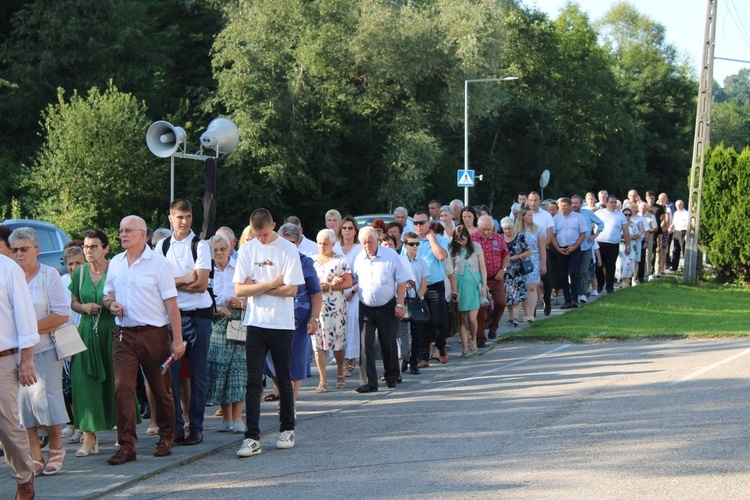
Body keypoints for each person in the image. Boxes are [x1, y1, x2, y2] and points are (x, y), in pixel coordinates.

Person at [103, 215, 185, 465]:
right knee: (122, 387)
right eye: (120, 231)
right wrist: (112, 304)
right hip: (123, 334)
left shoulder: (158, 264)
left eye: (128, 230)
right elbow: (108, 295)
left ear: (143, 234)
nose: (122, 235)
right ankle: (127, 445)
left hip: (154, 334)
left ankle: (166, 436)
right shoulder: (116, 262)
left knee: (161, 388)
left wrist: (178, 340)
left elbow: (172, 304)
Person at [234, 208, 304, 458]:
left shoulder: (288, 249)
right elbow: (240, 290)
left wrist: (258, 287)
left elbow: (292, 290)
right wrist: (273, 283)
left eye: (264, 234)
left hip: (281, 323)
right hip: (255, 322)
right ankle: (252, 436)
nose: (260, 239)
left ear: (273, 225)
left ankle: (287, 428)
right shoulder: (247, 249)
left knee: (283, 378)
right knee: (253, 380)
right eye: (256, 234)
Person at [10, 227, 70, 476]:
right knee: (23, 403)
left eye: (24, 249)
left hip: (45, 346)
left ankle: (56, 447)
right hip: (13, 349)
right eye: (14, 249)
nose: (19, 254)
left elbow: (61, 314)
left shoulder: (49, 275)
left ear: (37, 250)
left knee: (47, 399)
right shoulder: (9, 276)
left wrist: (28, 329)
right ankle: (35, 453)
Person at [153, 199, 214, 446]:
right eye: (180, 217)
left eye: (188, 216)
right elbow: (156, 284)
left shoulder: (200, 246)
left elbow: (200, 284)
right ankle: (175, 427)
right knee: (171, 376)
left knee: (198, 376)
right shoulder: (162, 246)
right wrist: (184, 279)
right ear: (170, 218)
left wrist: (172, 283)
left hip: (198, 317)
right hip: (172, 319)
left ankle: (196, 427)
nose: (185, 221)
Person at [68, 229, 117, 457]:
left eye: (94, 246)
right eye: (86, 246)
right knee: (83, 381)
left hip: (111, 329)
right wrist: (84, 307)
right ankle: (89, 437)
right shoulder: (79, 273)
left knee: (117, 382)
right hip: (86, 331)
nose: (88, 250)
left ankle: (123, 432)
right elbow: (74, 301)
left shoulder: (115, 270)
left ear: (105, 248)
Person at [0, 247, 39, 498]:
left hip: (3, 357)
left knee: (6, 425)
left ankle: (24, 478)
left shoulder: (7, 268)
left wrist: (27, 360)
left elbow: (26, 317)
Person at [353, 227, 409, 392]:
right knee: (365, 344)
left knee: (388, 342)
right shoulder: (358, 258)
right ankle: (368, 382)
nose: (367, 245)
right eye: (363, 242)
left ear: (377, 239)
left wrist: (400, 304)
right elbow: (355, 279)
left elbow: (401, 281)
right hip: (366, 307)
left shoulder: (390, 255)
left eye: (369, 241)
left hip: (387, 306)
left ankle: (392, 376)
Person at [276, 223, 322, 405]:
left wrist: (314, 317)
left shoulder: (305, 262)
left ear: (298, 243)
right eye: (284, 242)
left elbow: (316, 292)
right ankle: (282, 392)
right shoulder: (272, 261)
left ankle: (290, 401)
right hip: (275, 316)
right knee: (272, 360)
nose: (288, 246)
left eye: (292, 242)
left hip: (299, 318)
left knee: (296, 360)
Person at [206, 233, 247, 434]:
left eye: (223, 249)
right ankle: (226, 416)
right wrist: (216, 310)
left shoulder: (240, 267)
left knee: (238, 371)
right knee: (219, 370)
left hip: (239, 323)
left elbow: (255, 297)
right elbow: (201, 300)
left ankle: (238, 418)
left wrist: (239, 303)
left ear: (230, 248)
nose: (219, 253)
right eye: (215, 250)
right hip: (217, 323)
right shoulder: (206, 271)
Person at [312, 229, 352, 392]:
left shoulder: (340, 260)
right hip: (317, 307)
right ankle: (323, 380)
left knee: (338, 344)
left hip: (335, 307)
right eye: (320, 243)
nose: (322, 246)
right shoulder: (312, 261)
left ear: (333, 244)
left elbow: (348, 283)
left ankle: (340, 372)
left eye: (325, 244)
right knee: (318, 344)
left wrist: (331, 286)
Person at [410, 211, 450, 366]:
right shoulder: (410, 241)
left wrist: (432, 239)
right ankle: (423, 356)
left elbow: (441, 256)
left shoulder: (439, 239)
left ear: (428, 223)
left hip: (434, 286)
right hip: (417, 287)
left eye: (422, 222)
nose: (418, 226)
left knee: (439, 321)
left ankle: (440, 346)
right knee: (421, 323)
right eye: (416, 223)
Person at [472, 215, 509, 344]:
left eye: (489, 229)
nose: (487, 232)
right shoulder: (473, 239)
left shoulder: (498, 238)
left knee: (501, 303)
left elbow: (506, 255)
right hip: (480, 280)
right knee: (480, 309)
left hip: (496, 278)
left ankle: (493, 326)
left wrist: (503, 270)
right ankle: (480, 338)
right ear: (478, 227)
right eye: (484, 229)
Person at [450, 225, 487, 357]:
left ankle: (474, 340)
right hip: (459, 286)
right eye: (458, 240)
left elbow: (482, 267)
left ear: (468, 237)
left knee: (472, 318)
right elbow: (451, 270)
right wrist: (453, 290)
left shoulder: (476, 247)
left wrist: (484, 285)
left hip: (474, 285)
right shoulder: (453, 250)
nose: (461, 242)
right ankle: (465, 348)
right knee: (462, 319)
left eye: (463, 239)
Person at [551, 197, 588, 309]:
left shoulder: (578, 217)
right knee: (563, 274)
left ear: (570, 206)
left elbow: (583, 233)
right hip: (561, 248)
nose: (563, 208)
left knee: (574, 273)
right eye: (561, 206)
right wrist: (557, 248)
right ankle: (567, 300)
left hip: (574, 248)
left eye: (565, 206)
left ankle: (574, 299)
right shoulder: (556, 218)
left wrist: (575, 246)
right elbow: (552, 235)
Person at [337, 216, 362, 375]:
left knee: (352, 326)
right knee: (340, 327)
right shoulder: (335, 248)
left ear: (355, 231)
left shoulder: (360, 249)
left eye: (350, 228)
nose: (347, 231)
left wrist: (352, 290)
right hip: (336, 292)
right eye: (344, 228)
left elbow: (365, 273)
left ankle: (350, 359)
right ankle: (341, 360)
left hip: (355, 291)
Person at [403, 232, 428, 374]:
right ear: (405, 245)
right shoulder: (401, 260)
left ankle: (414, 362)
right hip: (404, 300)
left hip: (417, 301)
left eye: (417, 244)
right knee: (403, 334)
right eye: (411, 244)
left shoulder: (422, 262)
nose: (414, 247)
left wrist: (417, 298)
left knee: (417, 333)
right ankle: (403, 360)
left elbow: (424, 284)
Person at [571, 195, 604, 303]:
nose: (574, 205)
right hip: (573, 247)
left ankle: (583, 293)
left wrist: (595, 235)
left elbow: (601, 223)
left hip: (586, 247)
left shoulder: (587, 213)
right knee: (574, 271)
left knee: (584, 271)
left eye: (576, 203)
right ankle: (575, 294)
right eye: (573, 203)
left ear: (581, 204)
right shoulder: (568, 214)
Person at [516, 208, 546, 322]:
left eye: (531, 215)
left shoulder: (538, 229)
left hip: (534, 259)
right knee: (523, 286)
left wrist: (543, 264)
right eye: (528, 215)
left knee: (532, 286)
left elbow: (542, 248)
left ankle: (532, 313)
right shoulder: (517, 230)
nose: (530, 217)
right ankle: (526, 313)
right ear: (523, 216)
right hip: (520, 260)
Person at [595, 196, 630, 294]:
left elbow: (626, 232)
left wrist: (628, 246)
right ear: (606, 203)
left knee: (610, 266)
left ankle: (609, 287)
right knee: (598, 265)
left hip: (613, 244)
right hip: (599, 243)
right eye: (611, 202)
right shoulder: (599, 213)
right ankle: (600, 284)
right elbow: (591, 226)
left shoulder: (620, 216)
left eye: (615, 202)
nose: (613, 204)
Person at [500, 218, 531, 327]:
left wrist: (518, 256)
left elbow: (528, 251)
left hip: (518, 269)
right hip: (506, 271)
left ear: (513, 227)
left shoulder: (520, 236)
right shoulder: (500, 238)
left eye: (509, 228)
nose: (507, 231)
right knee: (508, 295)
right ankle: (511, 317)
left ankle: (515, 317)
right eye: (505, 229)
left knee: (518, 294)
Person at [615, 208, 641, 287]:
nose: (627, 216)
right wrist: (623, 239)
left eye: (629, 215)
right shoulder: (619, 224)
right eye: (625, 215)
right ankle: (623, 281)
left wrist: (629, 239)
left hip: (631, 246)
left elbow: (638, 235)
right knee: (621, 264)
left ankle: (627, 281)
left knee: (628, 264)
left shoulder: (633, 224)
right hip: (621, 246)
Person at [669, 200, 688, 271]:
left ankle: (686, 266)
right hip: (676, 231)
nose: (679, 206)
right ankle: (674, 267)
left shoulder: (686, 213)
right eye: (677, 205)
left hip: (683, 231)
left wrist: (686, 233)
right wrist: (671, 227)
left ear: (682, 205)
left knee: (684, 249)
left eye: (680, 205)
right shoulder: (676, 213)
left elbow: (689, 224)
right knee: (675, 249)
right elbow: (674, 222)